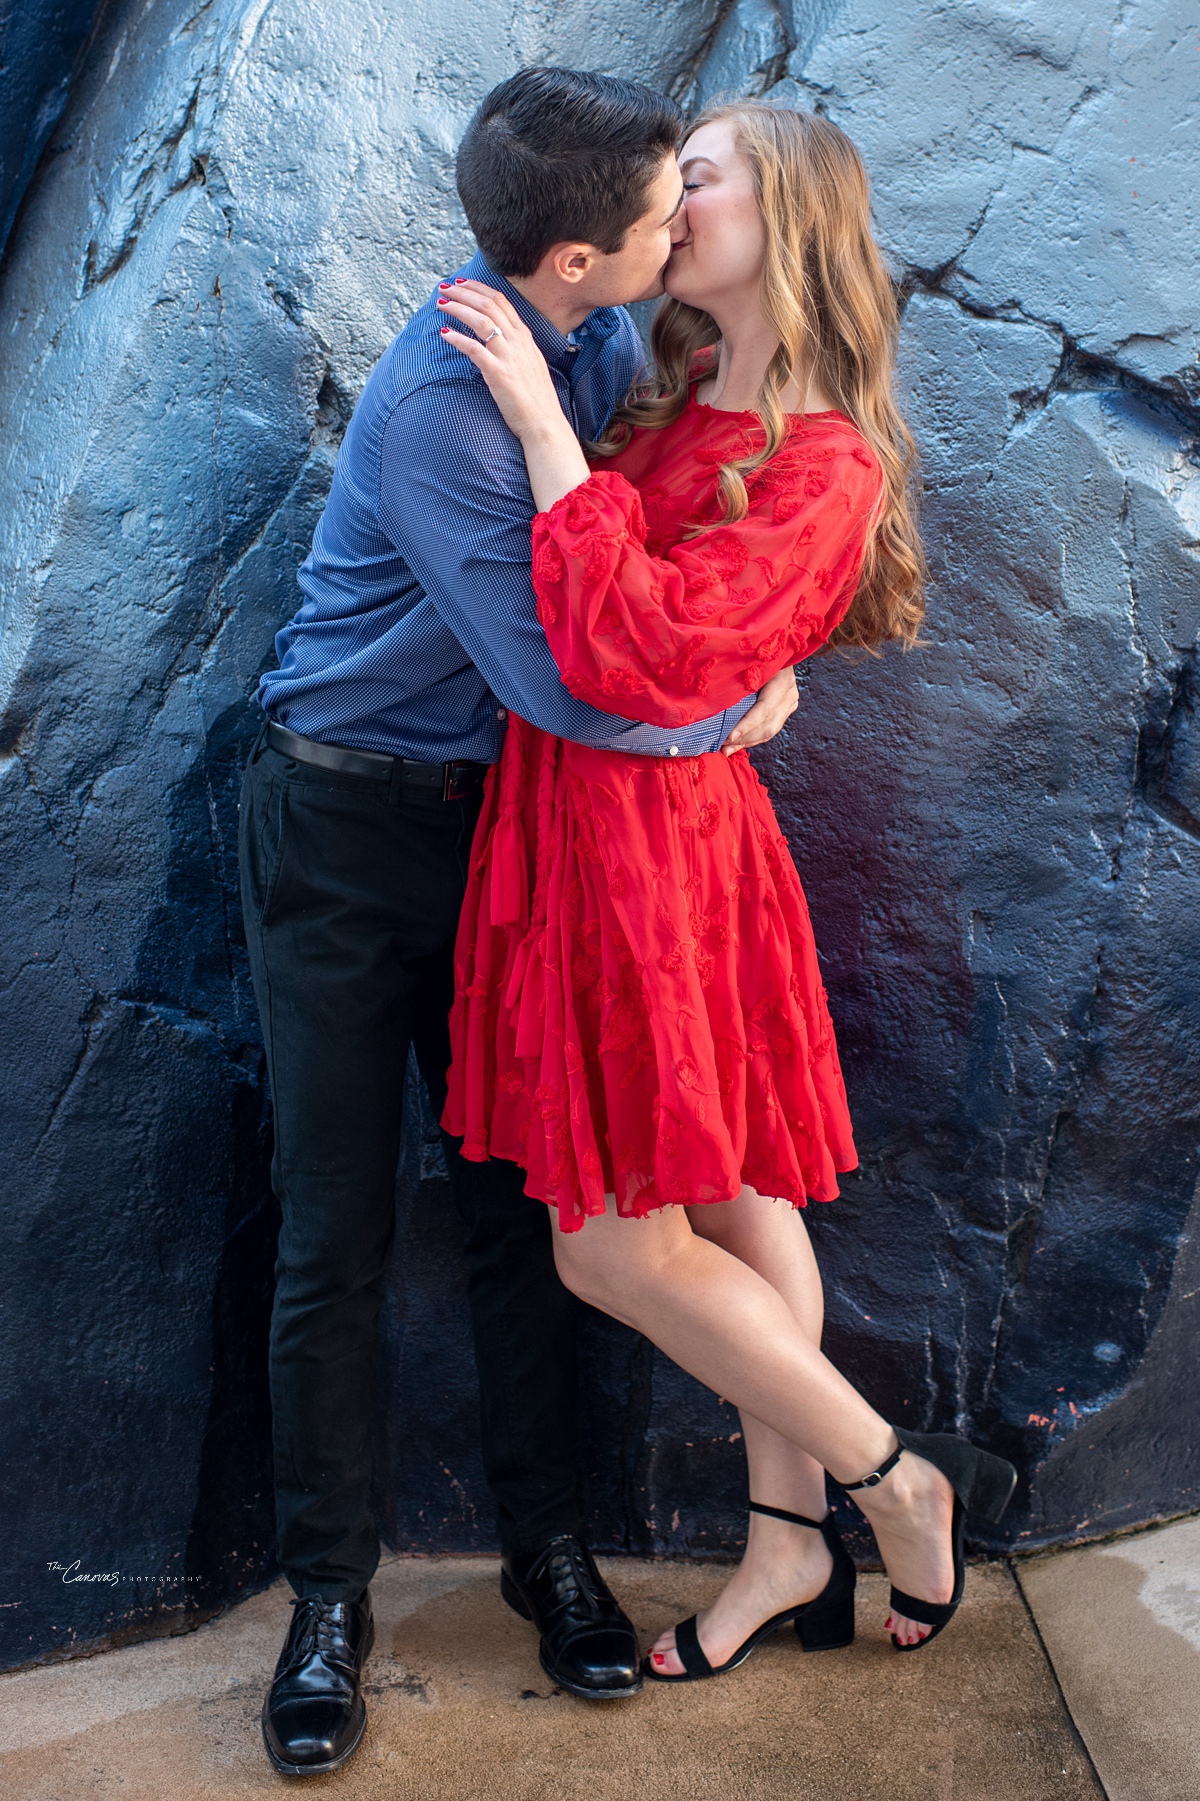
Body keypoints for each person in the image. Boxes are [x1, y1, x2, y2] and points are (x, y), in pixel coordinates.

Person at [240, 68, 800, 1776]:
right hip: (342, 827)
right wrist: (738, 712)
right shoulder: (446, 410)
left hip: (500, 840)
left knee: (521, 1212)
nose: (678, 229)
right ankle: (324, 1600)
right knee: (333, 1232)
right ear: (576, 254)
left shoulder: (589, 345)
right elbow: (569, 684)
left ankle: (547, 1557)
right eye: (657, 220)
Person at [439, 99, 1017, 1684]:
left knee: (610, 1248)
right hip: (601, 834)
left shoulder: (822, 459)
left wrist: (555, 453)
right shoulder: (669, 388)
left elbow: (632, 653)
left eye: (697, 175)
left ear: (793, 219)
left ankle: (898, 1481)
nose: (665, 198)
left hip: (657, 863)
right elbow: (657, 653)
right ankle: (783, 1542)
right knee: (738, 1205)